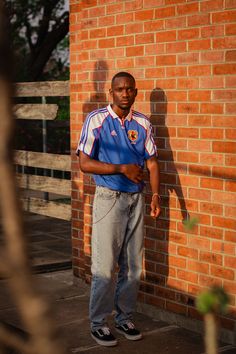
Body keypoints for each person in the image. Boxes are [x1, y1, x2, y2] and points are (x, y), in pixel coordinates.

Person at [77, 72, 161, 347]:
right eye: (119, 89)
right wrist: (120, 168)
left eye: (129, 89)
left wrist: (156, 195)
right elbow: (85, 163)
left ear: (135, 92)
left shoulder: (143, 123)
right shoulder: (96, 120)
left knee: (133, 266)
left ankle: (125, 317)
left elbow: (151, 162)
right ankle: (98, 323)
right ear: (110, 92)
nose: (125, 93)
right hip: (109, 198)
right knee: (104, 266)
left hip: (136, 199)